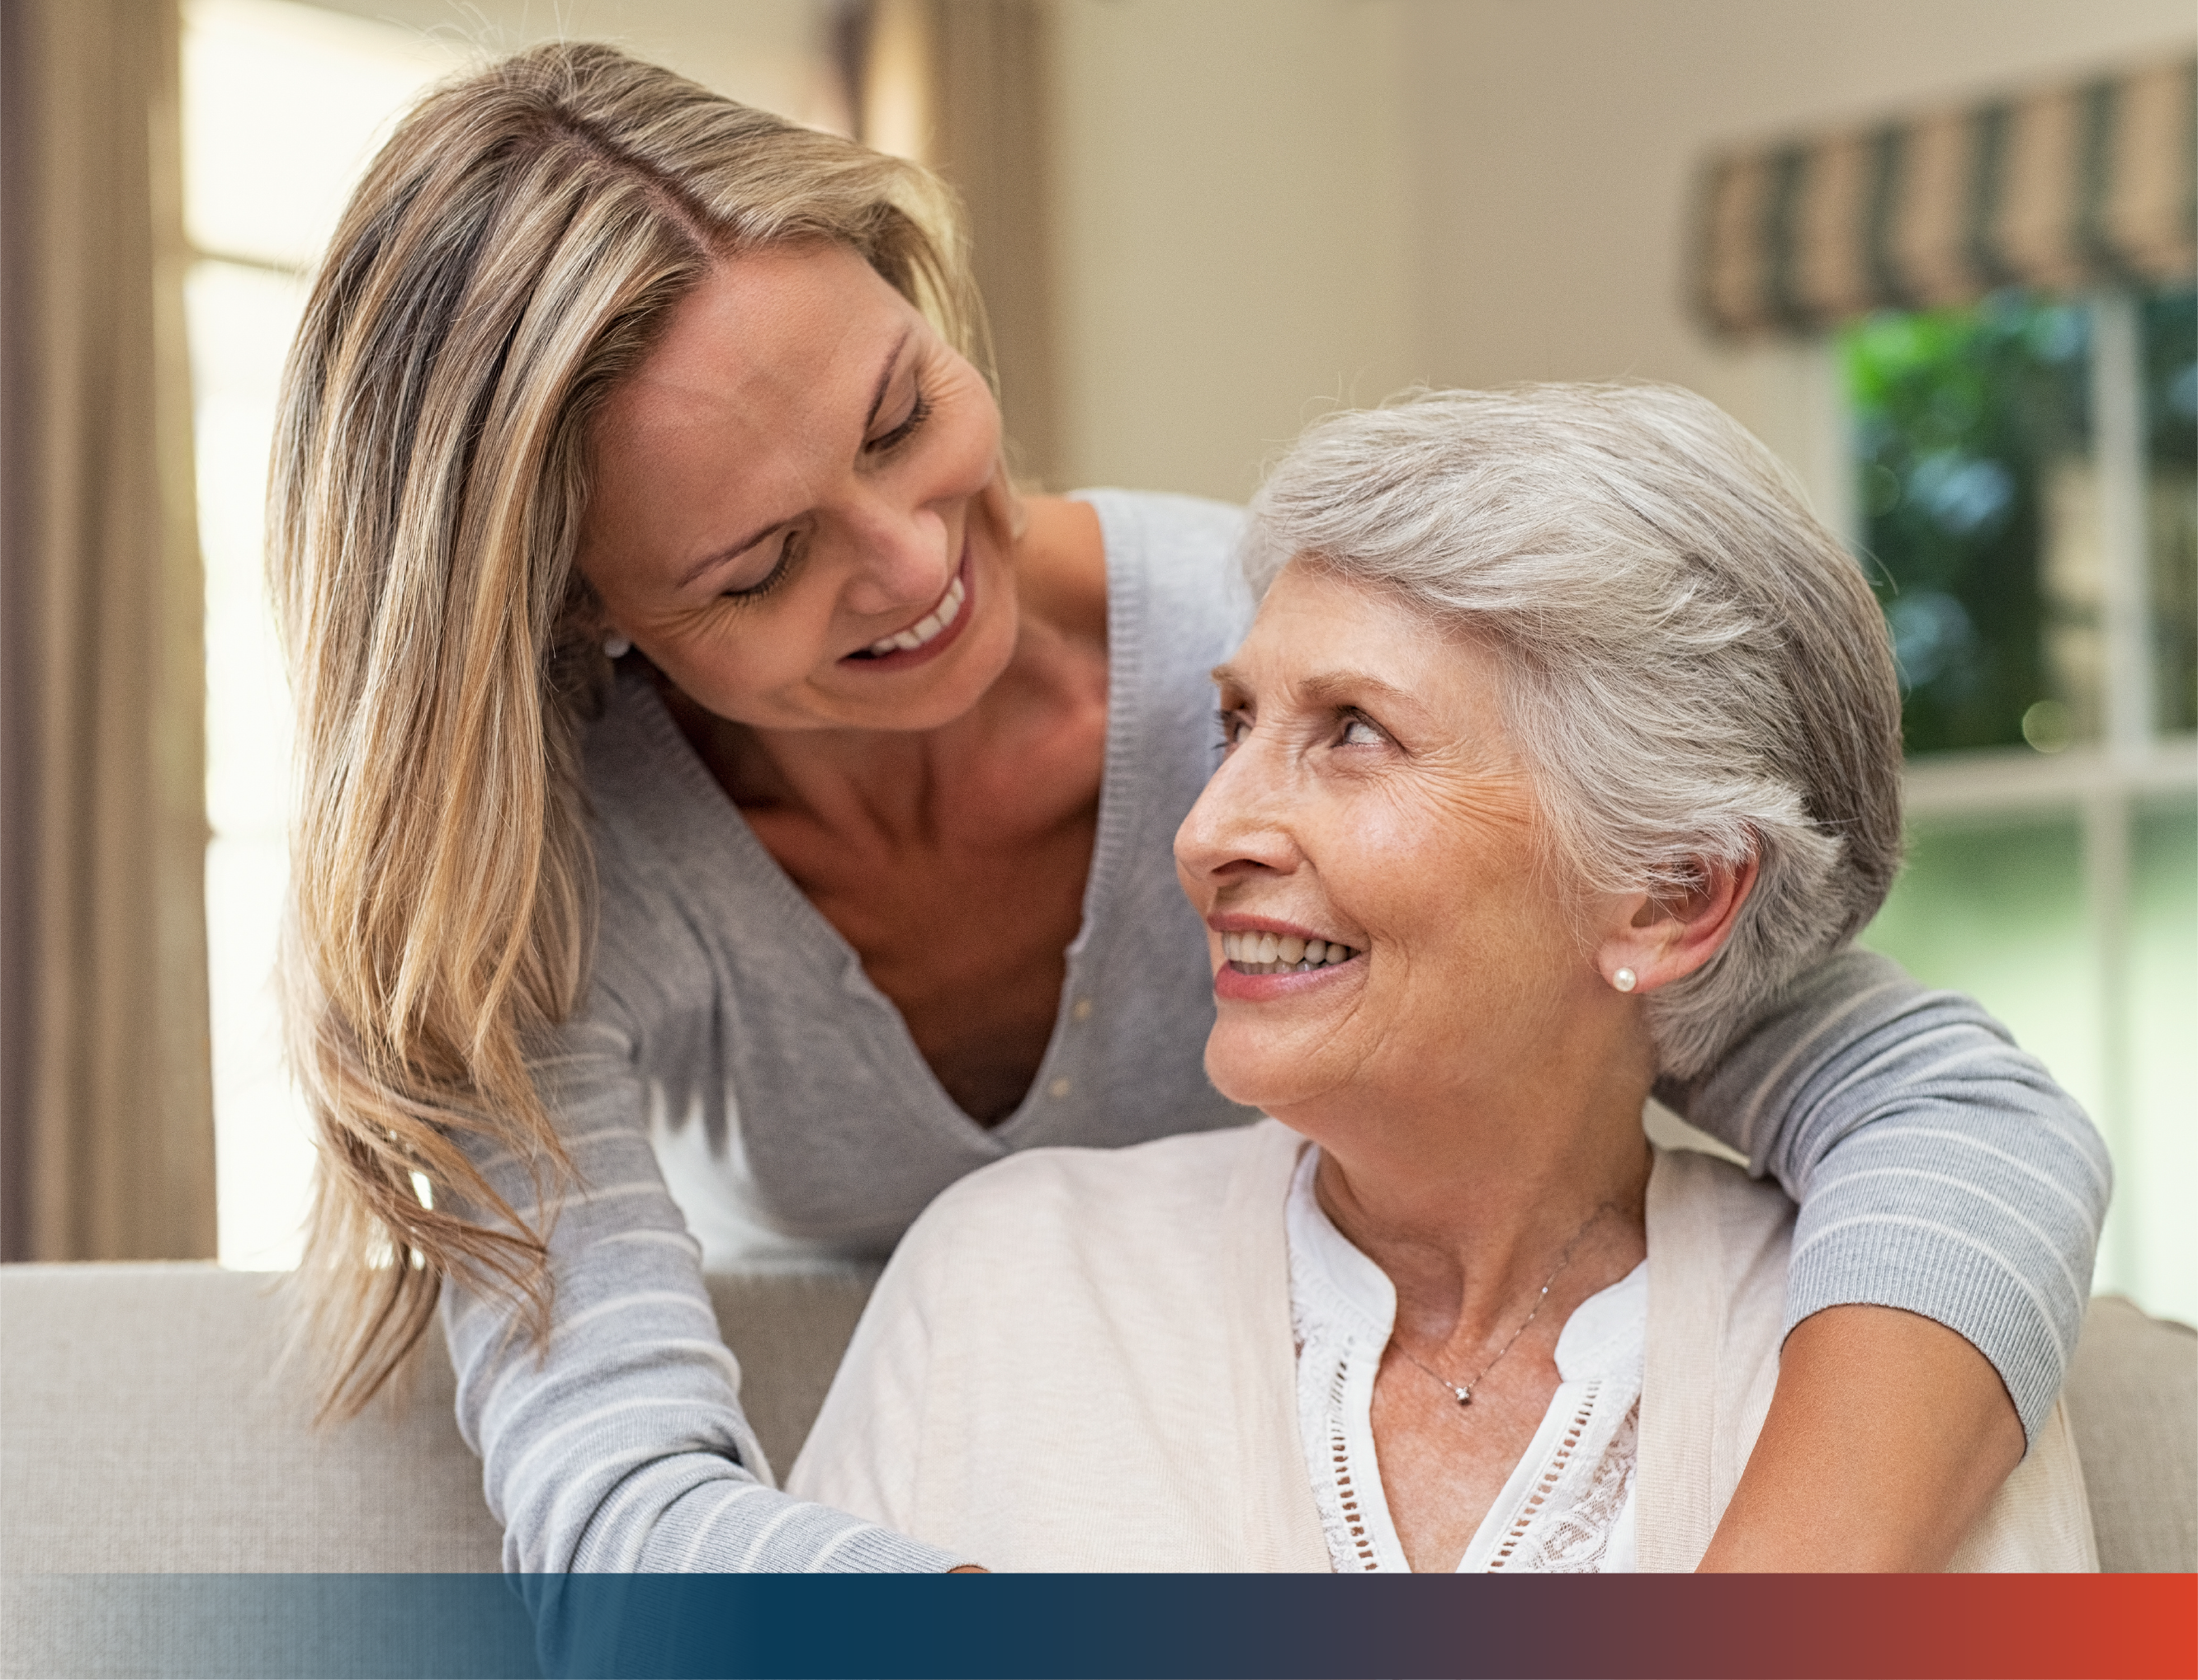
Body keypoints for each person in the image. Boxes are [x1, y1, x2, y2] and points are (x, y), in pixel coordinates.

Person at [271, 43, 2106, 1578]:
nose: (916, 566)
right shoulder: (539, 882)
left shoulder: (1275, 655)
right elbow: (614, 1518)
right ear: (586, 608)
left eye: (903, 416)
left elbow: (1933, 1105)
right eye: (758, 566)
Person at [788, 385, 2099, 1573]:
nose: (1201, 834)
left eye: (1353, 732)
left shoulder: (1888, 1361)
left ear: (1674, 894)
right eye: (1235, 724)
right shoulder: (1011, 1275)